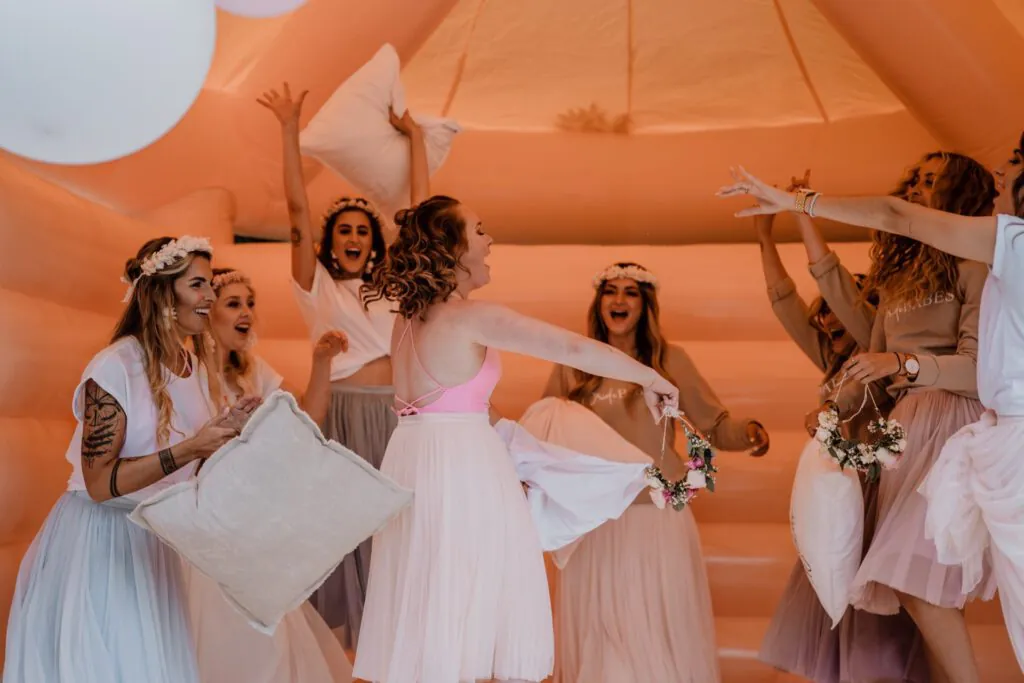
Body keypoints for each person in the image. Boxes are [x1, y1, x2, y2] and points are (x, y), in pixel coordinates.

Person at [352, 197, 680, 683]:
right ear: (454, 247)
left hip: (415, 462)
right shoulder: (469, 316)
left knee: (435, 594)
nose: (489, 241)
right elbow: (568, 347)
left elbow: (461, 407)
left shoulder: (406, 321)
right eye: (479, 230)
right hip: (460, 469)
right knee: (469, 589)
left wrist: (528, 458)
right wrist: (650, 377)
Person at [718, 151, 1003, 683]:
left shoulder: (975, 266)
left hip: (952, 431)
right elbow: (868, 363)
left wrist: (904, 364)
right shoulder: (898, 281)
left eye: (931, 180)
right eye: (914, 177)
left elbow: (979, 368)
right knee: (920, 587)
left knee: (918, 583)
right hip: (904, 433)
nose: (916, 186)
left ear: (959, 193)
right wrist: (835, 407)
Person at [3, 236, 259, 683]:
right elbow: (99, 484)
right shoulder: (115, 366)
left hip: (153, 544)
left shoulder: (193, 367)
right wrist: (191, 447)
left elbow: (186, 470)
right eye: (198, 284)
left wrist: (226, 436)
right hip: (101, 544)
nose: (211, 295)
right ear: (163, 293)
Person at [257, 82, 429, 649]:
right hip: (341, 419)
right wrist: (288, 129)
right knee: (343, 536)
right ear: (329, 241)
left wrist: (416, 140)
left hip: (395, 419)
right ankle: (346, 657)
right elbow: (296, 211)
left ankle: (400, 651)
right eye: (344, 230)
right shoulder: (317, 288)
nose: (353, 236)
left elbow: (420, 221)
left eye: (362, 230)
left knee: (397, 533)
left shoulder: (394, 288)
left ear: (374, 242)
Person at [542, 261, 767, 683]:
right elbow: (545, 433)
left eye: (631, 292)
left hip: (656, 518)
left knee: (652, 634)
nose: (619, 300)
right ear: (599, 303)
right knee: (603, 637)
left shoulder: (668, 361)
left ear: (645, 305)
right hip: (595, 522)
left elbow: (714, 424)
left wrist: (748, 434)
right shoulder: (573, 362)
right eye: (611, 291)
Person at [754, 172, 928, 682]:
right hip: (838, 499)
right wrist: (764, 236)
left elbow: (828, 278)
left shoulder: (874, 351)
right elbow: (784, 301)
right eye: (822, 316)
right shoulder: (830, 362)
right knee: (833, 606)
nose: (827, 321)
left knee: (874, 626)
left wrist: (802, 212)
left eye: (836, 311)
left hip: (877, 493)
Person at [184, 266, 353, 683]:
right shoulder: (184, 373)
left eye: (250, 304)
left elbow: (307, 419)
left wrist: (321, 362)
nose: (246, 312)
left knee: (263, 640)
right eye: (233, 304)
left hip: (246, 521)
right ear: (207, 312)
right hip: (198, 519)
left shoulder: (253, 373)